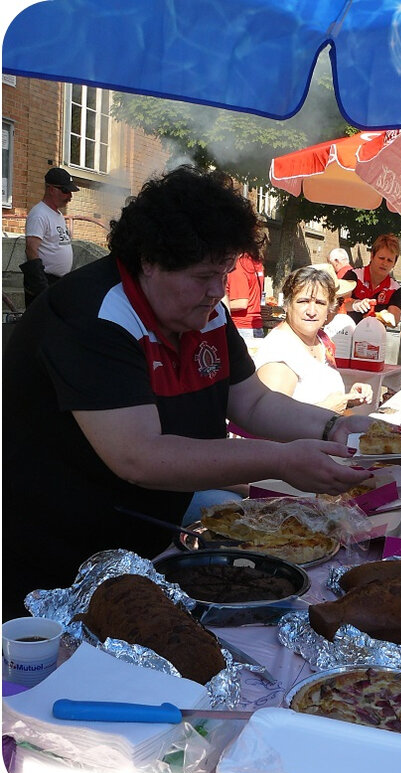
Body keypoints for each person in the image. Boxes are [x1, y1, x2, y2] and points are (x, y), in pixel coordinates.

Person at [2, 166, 372, 619]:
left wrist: (335, 427)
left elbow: (251, 401)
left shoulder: (204, 313)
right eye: (202, 277)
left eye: (223, 273)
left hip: (143, 544)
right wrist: (279, 460)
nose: (217, 292)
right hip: (50, 551)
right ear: (149, 262)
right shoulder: (92, 315)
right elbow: (139, 455)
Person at [254, 265, 373, 413]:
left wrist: (347, 400)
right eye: (303, 301)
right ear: (287, 304)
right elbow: (270, 419)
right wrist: (325, 410)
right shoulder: (280, 352)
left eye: (320, 303)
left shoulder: (320, 340)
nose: (311, 311)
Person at [20, 167, 79, 307]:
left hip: (58, 281)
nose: (70, 196)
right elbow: (31, 249)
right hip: (45, 281)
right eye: (65, 191)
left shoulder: (57, 215)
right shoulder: (39, 214)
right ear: (51, 189)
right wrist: (41, 285)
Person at [344, 234, 401, 327]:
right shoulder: (353, 276)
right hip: (347, 333)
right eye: (381, 258)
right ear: (372, 256)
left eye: (389, 260)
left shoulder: (396, 290)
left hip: (375, 337)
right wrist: (355, 304)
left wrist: (378, 316)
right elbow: (340, 303)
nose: (384, 263)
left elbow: (394, 321)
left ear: (394, 264)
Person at [225, 252, 265, 340]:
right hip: (254, 326)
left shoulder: (239, 265)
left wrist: (217, 306)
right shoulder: (256, 262)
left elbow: (241, 302)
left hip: (241, 327)